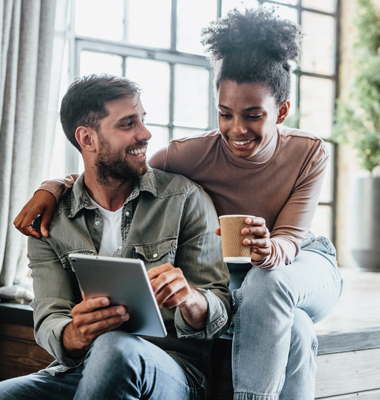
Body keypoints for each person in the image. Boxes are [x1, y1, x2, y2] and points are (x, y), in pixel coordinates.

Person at [14, 7, 343, 400]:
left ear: (282, 111)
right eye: (225, 114)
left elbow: (288, 240)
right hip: (236, 271)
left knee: (266, 284)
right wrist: (54, 187)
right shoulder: (187, 156)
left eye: (253, 115)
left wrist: (265, 252)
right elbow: (117, 171)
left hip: (297, 261)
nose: (237, 129)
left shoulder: (308, 152)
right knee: (296, 330)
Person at [1, 74, 231, 400]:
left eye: (143, 120)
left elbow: (219, 308)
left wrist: (191, 298)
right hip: (81, 368)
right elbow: (50, 318)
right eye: (127, 124)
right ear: (87, 138)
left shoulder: (184, 198)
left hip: (174, 371)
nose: (146, 134)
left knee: (115, 347)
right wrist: (75, 333)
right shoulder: (49, 221)